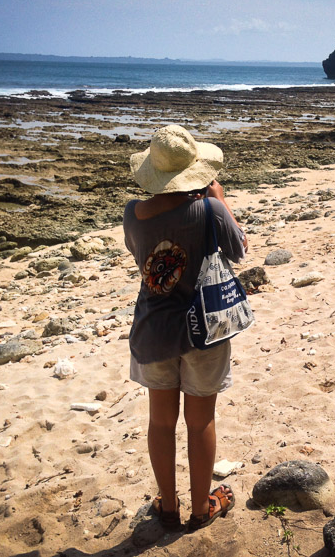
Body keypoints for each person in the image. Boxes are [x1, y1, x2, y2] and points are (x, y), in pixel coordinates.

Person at [122, 124, 247, 532]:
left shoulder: (133, 214)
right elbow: (239, 249)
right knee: (200, 420)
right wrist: (220, 202)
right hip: (204, 330)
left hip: (154, 329)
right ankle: (200, 507)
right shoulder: (207, 210)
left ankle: (168, 507)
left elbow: (141, 252)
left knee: (160, 421)